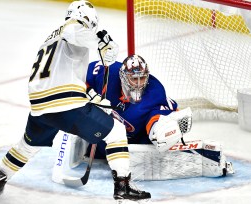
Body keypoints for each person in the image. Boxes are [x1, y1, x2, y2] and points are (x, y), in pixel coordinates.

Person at [0, 1, 151, 202]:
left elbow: (70, 67)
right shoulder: (73, 28)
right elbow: (76, 32)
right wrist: (100, 40)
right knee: (116, 132)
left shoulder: (50, 38)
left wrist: (89, 93)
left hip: (39, 107)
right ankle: (123, 186)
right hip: (64, 104)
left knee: (27, 146)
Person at [84, 54, 234, 179]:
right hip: (102, 136)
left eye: (141, 78)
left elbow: (156, 121)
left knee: (159, 138)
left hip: (135, 141)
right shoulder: (109, 72)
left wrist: (161, 130)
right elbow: (82, 75)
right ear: (123, 77)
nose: (137, 84)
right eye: (133, 79)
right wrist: (90, 93)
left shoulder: (154, 93)